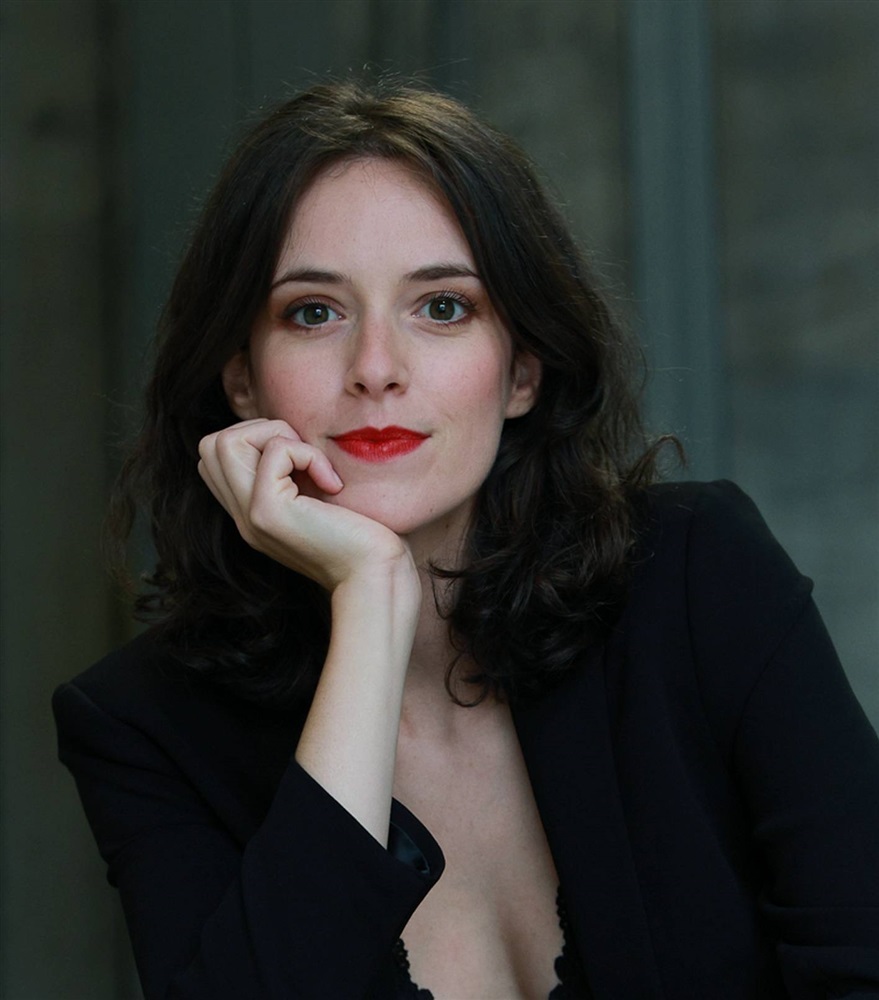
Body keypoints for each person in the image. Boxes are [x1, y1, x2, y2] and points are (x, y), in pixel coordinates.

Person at [53, 80, 879, 1000]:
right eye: (314, 312)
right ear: (241, 380)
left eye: (441, 307)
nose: (375, 369)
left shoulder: (699, 578)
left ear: (522, 370)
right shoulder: (143, 725)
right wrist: (371, 599)